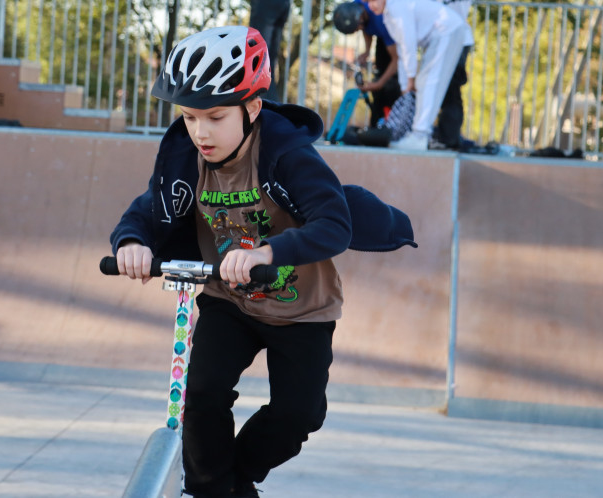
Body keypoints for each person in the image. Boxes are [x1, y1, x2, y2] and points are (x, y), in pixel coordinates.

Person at [110, 25, 413, 497]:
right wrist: (132, 242)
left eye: (214, 116)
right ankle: (213, 490)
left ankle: (236, 479)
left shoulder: (288, 155)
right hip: (226, 300)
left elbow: (334, 225)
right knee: (202, 395)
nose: (200, 132)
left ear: (251, 107)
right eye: (190, 117)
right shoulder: (184, 156)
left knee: (299, 414)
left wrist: (268, 252)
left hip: (302, 307)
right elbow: (150, 207)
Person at [361, 0, 470, 151]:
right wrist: (406, 85)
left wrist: (411, 77)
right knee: (424, 83)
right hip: (442, 33)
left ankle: (420, 136)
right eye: (368, 1)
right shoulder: (389, 15)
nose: (371, 5)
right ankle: (417, 133)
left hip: (446, 30)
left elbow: (408, 43)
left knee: (429, 82)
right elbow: (402, 50)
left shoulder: (396, 7)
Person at [422, 0, 478, 148]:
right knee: (454, 89)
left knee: (444, 88)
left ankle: (447, 138)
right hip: (464, 38)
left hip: (445, 37)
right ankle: (450, 135)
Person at [332, 0, 402, 125]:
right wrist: (367, 51)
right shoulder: (356, 7)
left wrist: (379, 84)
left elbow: (396, 59)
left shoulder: (381, 20)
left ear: (361, 16)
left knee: (392, 85)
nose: (360, 29)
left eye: (359, 26)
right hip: (381, 39)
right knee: (380, 81)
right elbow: (366, 28)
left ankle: (392, 125)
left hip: (397, 40)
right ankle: (376, 124)